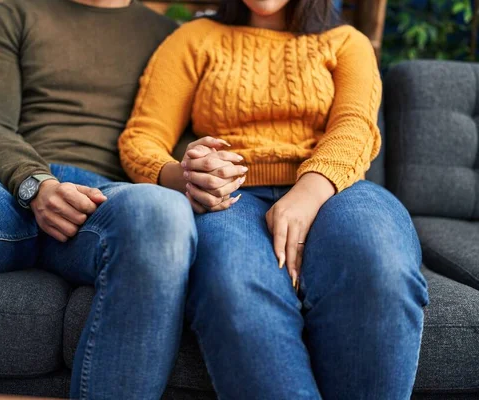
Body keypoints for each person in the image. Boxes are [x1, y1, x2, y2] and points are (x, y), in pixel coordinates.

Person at [0, 0, 196, 399]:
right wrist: (36, 185)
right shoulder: (17, 11)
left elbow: (175, 145)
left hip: (107, 201)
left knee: (164, 212)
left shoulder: (169, 36)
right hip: (13, 189)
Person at [118, 0, 430, 398]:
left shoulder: (347, 42)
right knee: (233, 283)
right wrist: (187, 177)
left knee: (379, 266)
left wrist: (307, 193)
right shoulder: (194, 39)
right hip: (232, 197)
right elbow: (141, 138)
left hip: (336, 189)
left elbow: (356, 127)